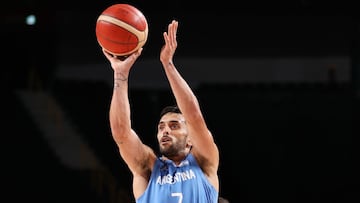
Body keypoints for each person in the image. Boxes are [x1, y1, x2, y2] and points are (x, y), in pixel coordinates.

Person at [102, 20, 220, 203]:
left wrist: (168, 64)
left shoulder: (204, 162)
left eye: (174, 126)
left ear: (190, 139)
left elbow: (194, 116)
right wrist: (120, 74)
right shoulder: (148, 168)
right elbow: (121, 133)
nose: (165, 130)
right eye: (161, 127)